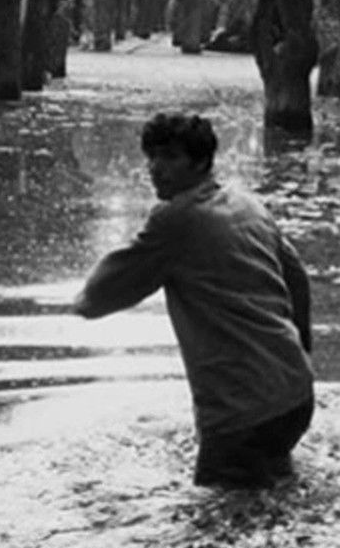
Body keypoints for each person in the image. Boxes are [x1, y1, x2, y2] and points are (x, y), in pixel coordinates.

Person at [74, 112, 314, 489]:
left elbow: (95, 299)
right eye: (151, 157)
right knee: (271, 498)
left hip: (241, 409)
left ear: (201, 162)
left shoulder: (176, 219)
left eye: (169, 158)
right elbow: (297, 278)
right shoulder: (247, 204)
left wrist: (79, 301)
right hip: (294, 394)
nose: (155, 169)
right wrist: (301, 352)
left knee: (216, 530)